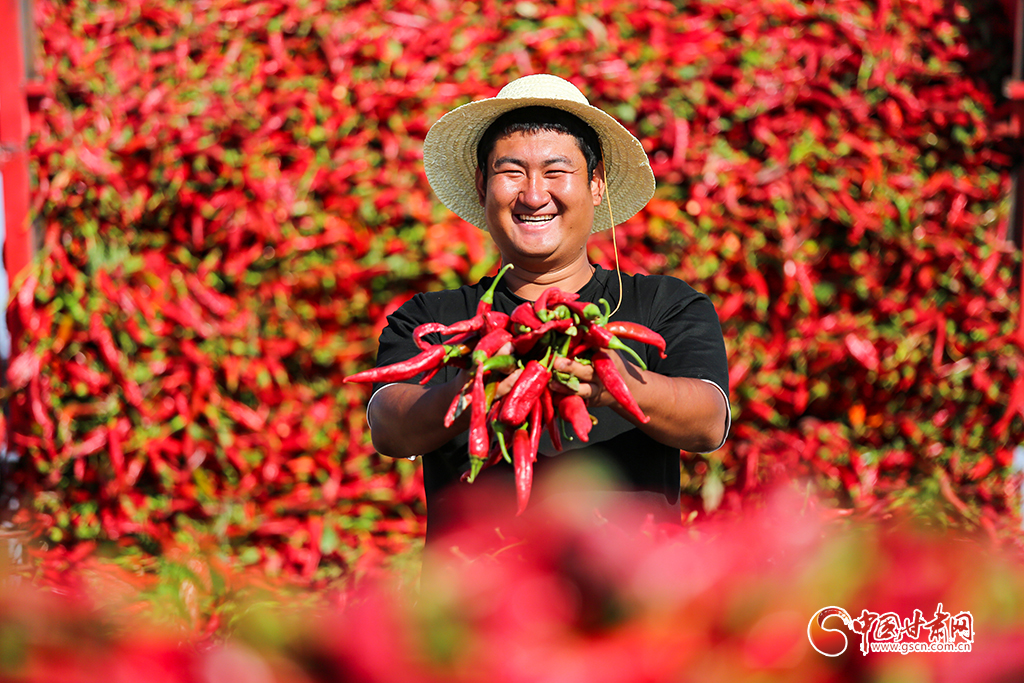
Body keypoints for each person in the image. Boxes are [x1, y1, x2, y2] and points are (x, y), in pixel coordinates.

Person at [366, 74, 730, 546]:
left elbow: (707, 421)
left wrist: (613, 383)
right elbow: (389, 427)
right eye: (511, 172)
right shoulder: (431, 318)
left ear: (596, 185)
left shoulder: (666, 306)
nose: (534, 195)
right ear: (482, 187)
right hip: (474, 606)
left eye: (556, 172)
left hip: (631, 605)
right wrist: (474, 385)